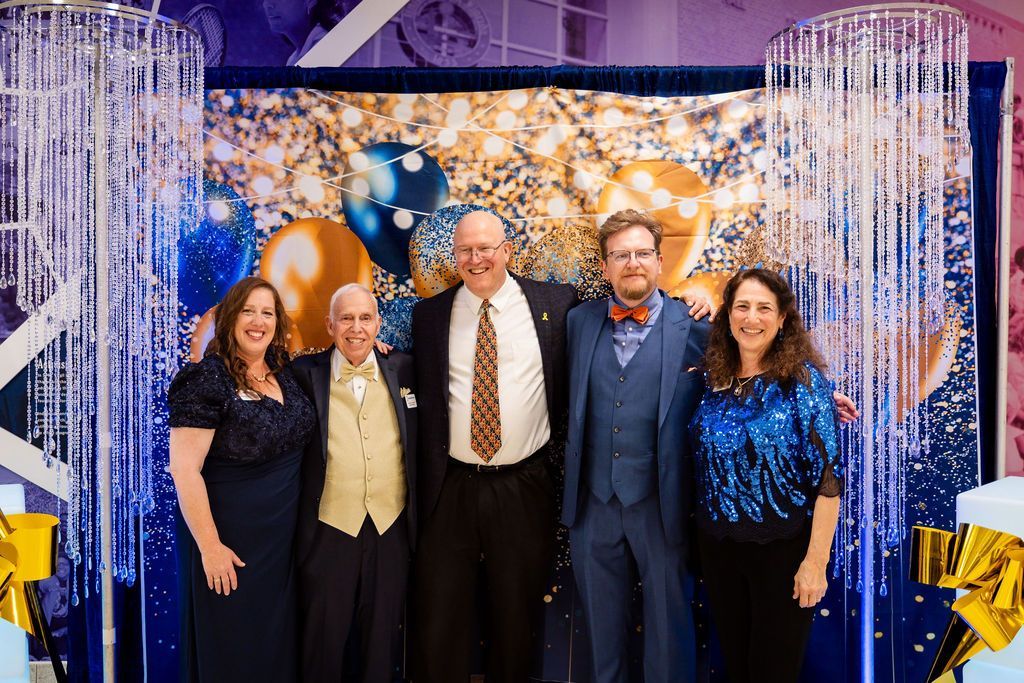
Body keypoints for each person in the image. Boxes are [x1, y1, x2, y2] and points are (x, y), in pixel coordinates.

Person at [410, 208, 579, 683]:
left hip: (524, 485)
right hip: (451, 486)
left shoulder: (557, 303)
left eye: (485, 248)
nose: (475, 259)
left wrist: (685, 301)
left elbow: (618, 311)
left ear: (506, 250)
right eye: (465, 250)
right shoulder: (430, 315)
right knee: (440, 616)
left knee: (516, 617)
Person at [562, 209, 710, 683]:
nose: (632, 263)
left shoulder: (698, 325)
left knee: (669, 630)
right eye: (620, 255)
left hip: (662, 503)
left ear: (660, 261)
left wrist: (818, 394)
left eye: (642, 253)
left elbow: (756, 369)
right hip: (593, 503)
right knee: (601, 635)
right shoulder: (577, 322)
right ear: (605, 266)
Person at [690, 268, 843, 683]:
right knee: (736, 668)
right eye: (742, 307)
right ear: (728, 316)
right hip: (718, 551)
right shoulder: (712, 378)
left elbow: (828, 482)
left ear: (782, 319)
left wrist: (815, 563)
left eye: (764, 308)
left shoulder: (803, 383)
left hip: (781, 553)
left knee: (772, 672)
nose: (752, 318)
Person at [168, 276, 315, 683]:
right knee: (234, 649)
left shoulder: (284, 370)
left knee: (276, 650)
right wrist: (210, 547)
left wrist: (373, 348)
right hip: (230, 544)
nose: (258, 321)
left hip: (281, 546)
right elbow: (184, 469)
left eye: (267, 313)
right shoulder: (207, 379)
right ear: (230, 317)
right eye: (248, 311)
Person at [291, 283, 417, 683]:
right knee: (322, 646)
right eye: (346, 318)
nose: (356, 328)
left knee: (381, 646)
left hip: (390, 527)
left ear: (378, 324)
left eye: (365, 318)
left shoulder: (406, 368)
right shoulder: (302, 375)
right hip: (329, 528)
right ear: (330, 325)